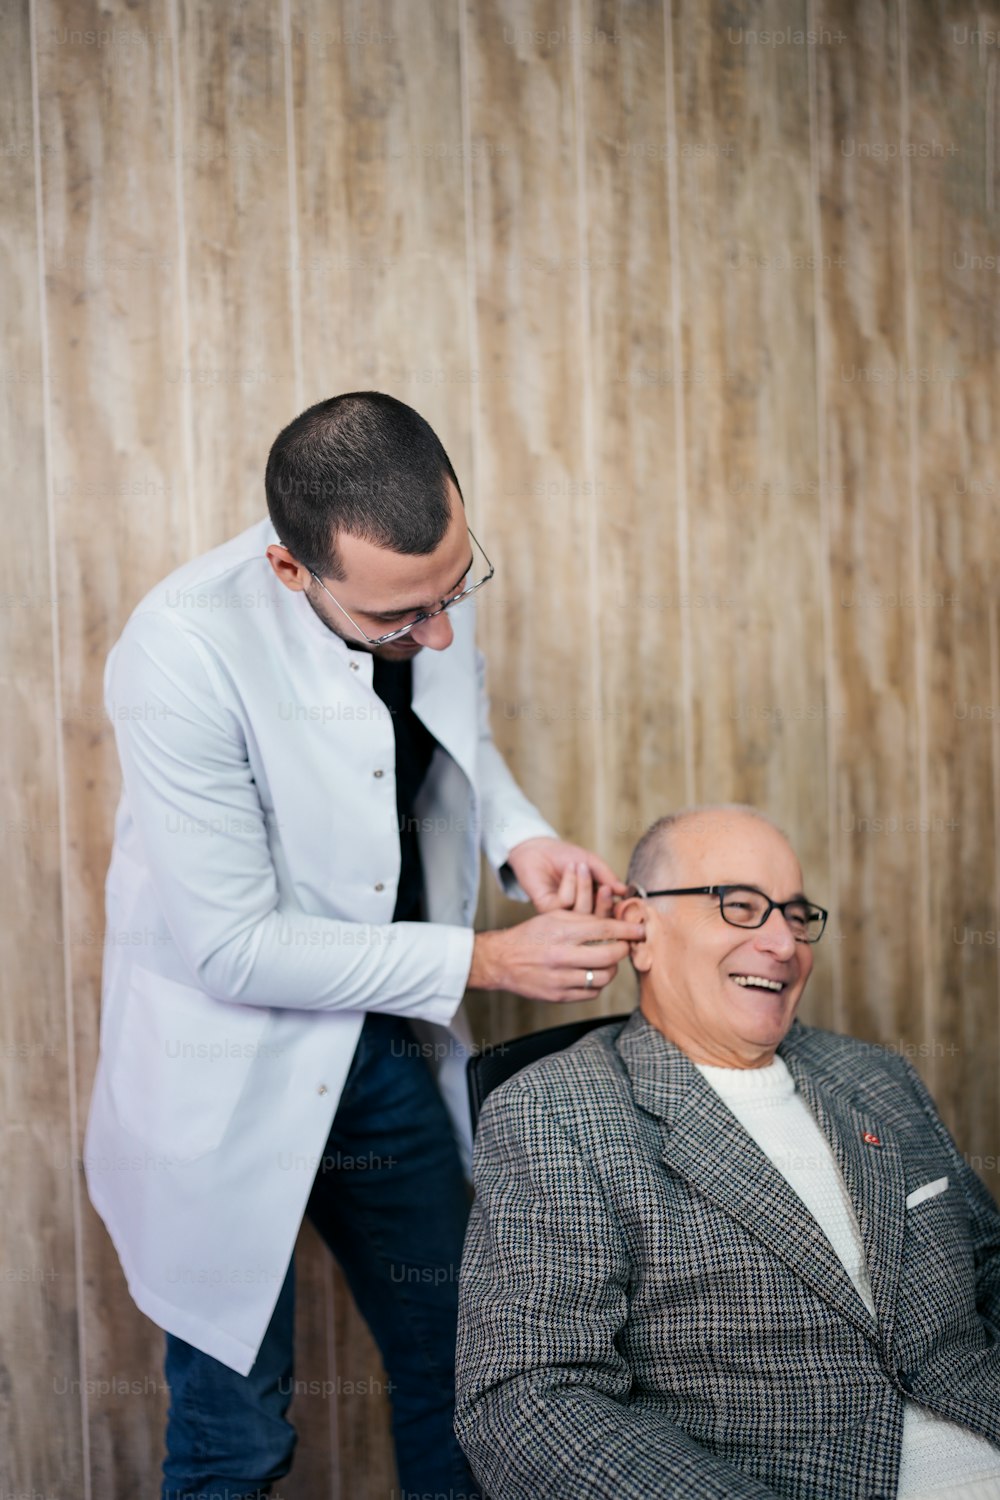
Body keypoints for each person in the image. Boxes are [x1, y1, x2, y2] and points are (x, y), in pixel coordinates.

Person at [83, 391, 643, 1500]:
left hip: (386, 1055)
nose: (435, 631)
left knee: (462, 1380)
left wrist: (521, 843)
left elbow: (458, 738)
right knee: (236, 1441)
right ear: (297, 573)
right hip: (229, 1073)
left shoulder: (420, 570)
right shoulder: (181, 650)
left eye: (453, 593)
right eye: (400, 621)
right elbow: (234, 948)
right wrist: (483, 962)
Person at [455, 804, 1000, 1499]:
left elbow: (988, 1267)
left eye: (795, 915)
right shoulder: (556, 1112)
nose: (782, 943)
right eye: (740, 907)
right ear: (641, 931)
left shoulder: (875, 1077)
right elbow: (531, 1402)